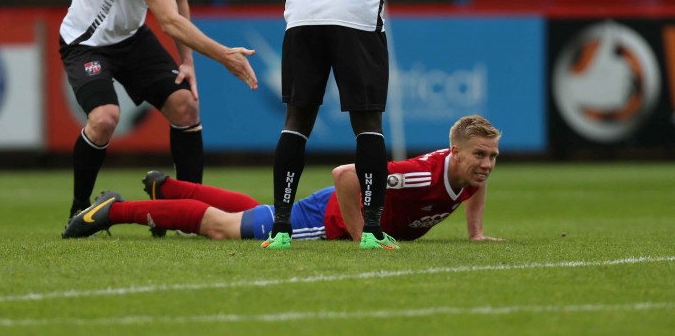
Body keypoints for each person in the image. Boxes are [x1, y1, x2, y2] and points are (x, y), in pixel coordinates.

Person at [265, 0, 566, 251]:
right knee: (367, 124)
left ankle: (280, 230)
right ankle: (371, 231)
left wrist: (293, 0)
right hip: (356, 16)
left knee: (296, 122)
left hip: (303, 16)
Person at [59, 0, 258, 220]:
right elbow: (168, 21)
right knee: (105, 118)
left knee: (186, 105)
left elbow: (179, 2)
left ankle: (191, 214)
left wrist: (187, 62)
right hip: (86, 42)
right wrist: (224, 55)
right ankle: (80, 208)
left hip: (130, 36)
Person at [62, 114, 504, 245]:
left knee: (257, 211)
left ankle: (170, 189)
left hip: (333, 207)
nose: (486, 165)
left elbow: (474, 187)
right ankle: (113, 211)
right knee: (224, 228)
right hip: (330, 219)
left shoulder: (468, 171)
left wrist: (477, 232)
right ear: (456, 151)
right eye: (479, 155)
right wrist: (359, 235)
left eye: (492, 157)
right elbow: (348, 175)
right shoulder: (420, 174)